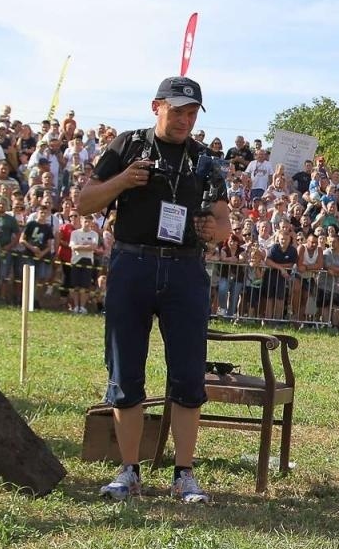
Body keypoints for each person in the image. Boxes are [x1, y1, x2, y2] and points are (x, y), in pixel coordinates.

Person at [76, 76, 228, 503]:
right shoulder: (127, 146)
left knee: (187, 372)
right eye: (178, 110)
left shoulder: (206, 160)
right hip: (132, 262)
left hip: (184, 269)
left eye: (192, 112)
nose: (185, 119)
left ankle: (184, 474)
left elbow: (224, 224)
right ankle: (129, 470)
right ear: (156, 106)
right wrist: (123, 181)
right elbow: (85, 202)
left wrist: (212, 230)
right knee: (126, 371)